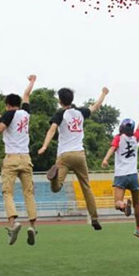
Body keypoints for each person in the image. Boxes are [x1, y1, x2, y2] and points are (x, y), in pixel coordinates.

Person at [39, 86, 109, 230]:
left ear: (60, 101)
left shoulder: (60, 114)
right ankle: (94, 218)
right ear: (71, 99)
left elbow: (52, 129)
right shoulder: (80, 112)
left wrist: (45, 146)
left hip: (64, 156)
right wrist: (103, 93)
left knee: (56, 188)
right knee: (86, 187)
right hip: (79, 155)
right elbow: (95, 106)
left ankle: (54, 179)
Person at [0, 75, 38, 246]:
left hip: (11, 158)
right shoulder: (25, 113)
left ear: (7, 105)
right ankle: (32, 226)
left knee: (8, 192)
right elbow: (26, 94)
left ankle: (13, 224)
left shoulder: (9, 114)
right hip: (26, 157)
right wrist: (32, 81)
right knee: (29, 193)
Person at [101, 94, 139, 239]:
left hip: (121, 175)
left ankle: (123, 205)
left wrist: (105, 159)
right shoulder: (136, 138)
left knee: (117, 203)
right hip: (133, 175)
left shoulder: (118, 138)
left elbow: (112, 148)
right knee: (137, 204)